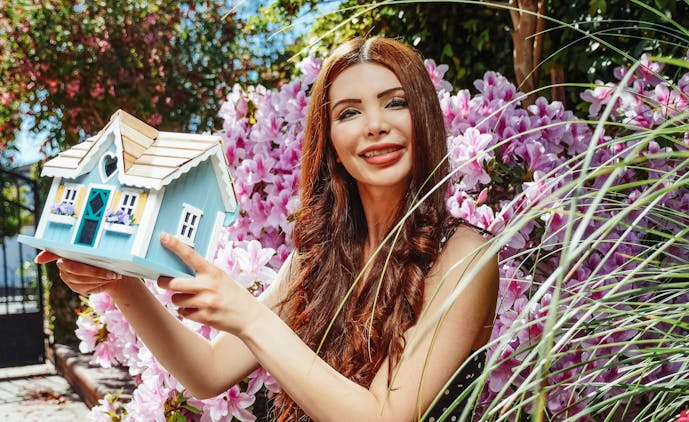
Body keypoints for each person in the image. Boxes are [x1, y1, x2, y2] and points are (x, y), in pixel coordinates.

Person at [37, 36, 499, 421]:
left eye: (395, 103)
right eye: (349, 112)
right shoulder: (318, 260)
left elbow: (382, 416)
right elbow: (209, 371)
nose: (375, 126)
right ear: (333, 145)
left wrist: (251, 316)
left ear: (424, 119)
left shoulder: (462, 257)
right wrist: (121, 283)